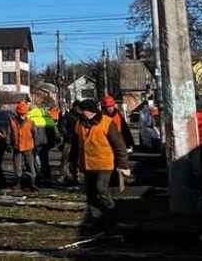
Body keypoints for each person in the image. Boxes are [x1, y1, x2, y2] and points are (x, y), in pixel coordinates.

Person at [70, 98, 129, 229]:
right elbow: (75, 145)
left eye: (82, 110)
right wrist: (72, 162)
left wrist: (123, 164)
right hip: (87, 164)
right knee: (90, 194)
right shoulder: (79, 123)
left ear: (89, 111)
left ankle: (111, 217)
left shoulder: (107, 123)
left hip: (104, 163)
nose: (79, 113)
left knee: (101, 189)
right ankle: (98, 218)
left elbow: (119, 145)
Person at [10, 101, 38, 191]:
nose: (22, 115)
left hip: (28, 147)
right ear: (17, 113)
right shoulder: (12, 122)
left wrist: (35, 146)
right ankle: (18, 183)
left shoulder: (30, 122)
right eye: (20, 113)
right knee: (17, 166)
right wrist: (9, 144)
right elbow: (9, 134)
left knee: (31, 165)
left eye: (24, 113)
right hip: (17, 147)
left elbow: (35, 134)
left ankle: (33, 183)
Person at [27, 102, 56, 185]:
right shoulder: (45, 115)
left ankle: (38, 177)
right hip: (46, 141)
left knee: (34, 160)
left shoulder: (29, 116)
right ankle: (47, 177)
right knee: (45, 160)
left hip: (35, 141)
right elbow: (54, 129)